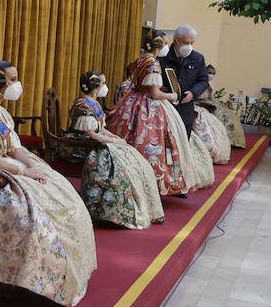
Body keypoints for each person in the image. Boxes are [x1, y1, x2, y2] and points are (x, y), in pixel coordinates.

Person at [0, 61, 97, 306]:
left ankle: (62, 269)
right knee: (25, 206)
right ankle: (25, 272)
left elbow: (15, 148)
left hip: (1, 165)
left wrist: (32, 166)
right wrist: (22, 171)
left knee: (54, 186)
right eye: (11, 79)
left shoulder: (1, 111)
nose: (16, 84)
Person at [63, 72, 165, 230]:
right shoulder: (83, 105)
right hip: (81, 145)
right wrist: (113, 141)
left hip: (95, 141)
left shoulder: (94, 103)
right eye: (103, 83)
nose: (105, 86)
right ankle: (110, 211)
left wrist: (118, 139)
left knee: (130, 154)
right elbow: (89, 134)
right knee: (116, 166)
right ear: (96, 86)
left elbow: (101, 129)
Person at [104, 52, 200, 196]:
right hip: (150, 109)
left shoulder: (141, 59)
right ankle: (151, 184)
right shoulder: (154, 64)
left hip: (132, 103)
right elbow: (154, 94)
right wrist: (171, 96)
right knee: (156, 142)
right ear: (160, 47)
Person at [166, 24, 210, 136]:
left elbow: (203, 80)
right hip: (166, 109)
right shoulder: (163, 57)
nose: (189, 46)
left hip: (186, 111)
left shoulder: (198, 58)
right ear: (176, 41)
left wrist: (193, 93)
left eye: (192, 43)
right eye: (186, 42)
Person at [199, 63, 246, 148]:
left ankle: (234, 140)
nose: (211, 75)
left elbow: (210, 97)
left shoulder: (208, 85)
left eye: (213, 74)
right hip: (202, 103)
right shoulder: (200, 83)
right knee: (222, 114)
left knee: (230, 113)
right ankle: (227, 139)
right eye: (210, 73)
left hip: (209, 102)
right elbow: (199, 98)